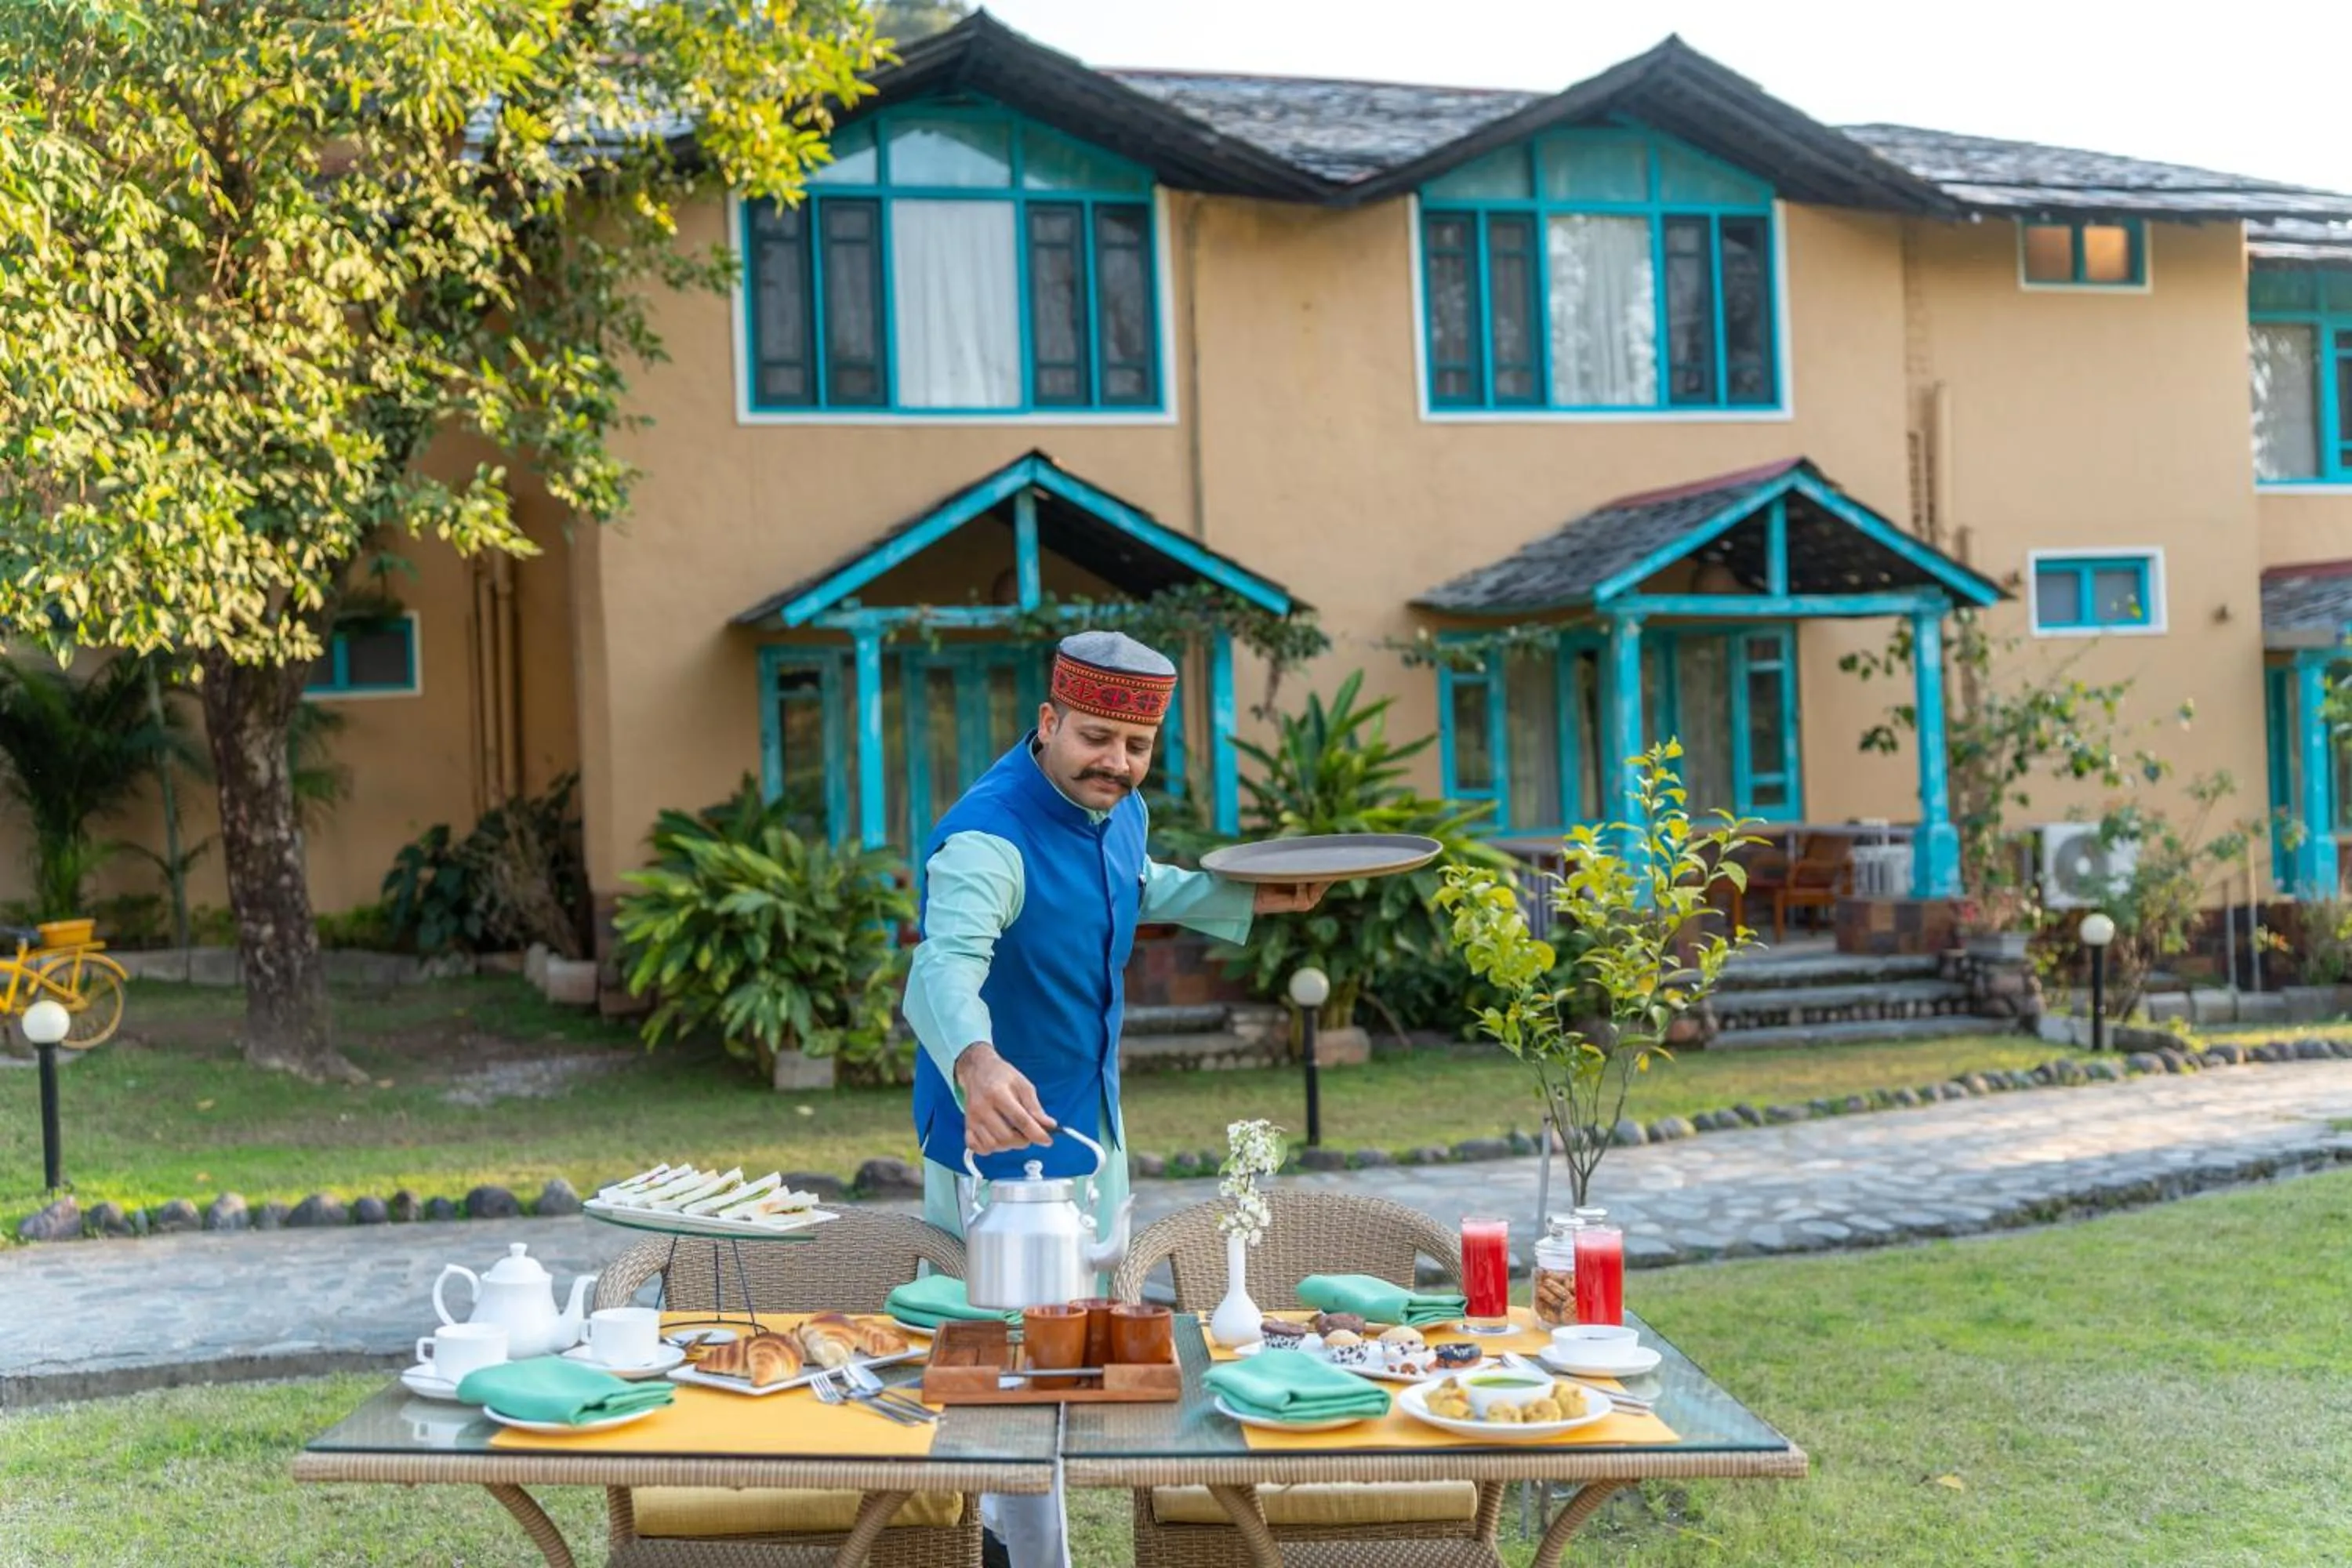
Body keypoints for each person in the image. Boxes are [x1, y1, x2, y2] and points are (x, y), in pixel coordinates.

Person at [902, 629, 1326, 1568]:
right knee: (1004, 1382)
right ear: (1048, 720)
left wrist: (1248, 897)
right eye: (1096, 738)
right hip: (996, 1145)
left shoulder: (1116, 806)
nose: (1118, 762)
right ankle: (998, 1552)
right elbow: (943, 965)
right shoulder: (987, 837)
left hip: (1090, 1124)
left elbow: (1132, 882)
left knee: (1066, 1366)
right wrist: (976, 1059)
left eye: (1137, 746)